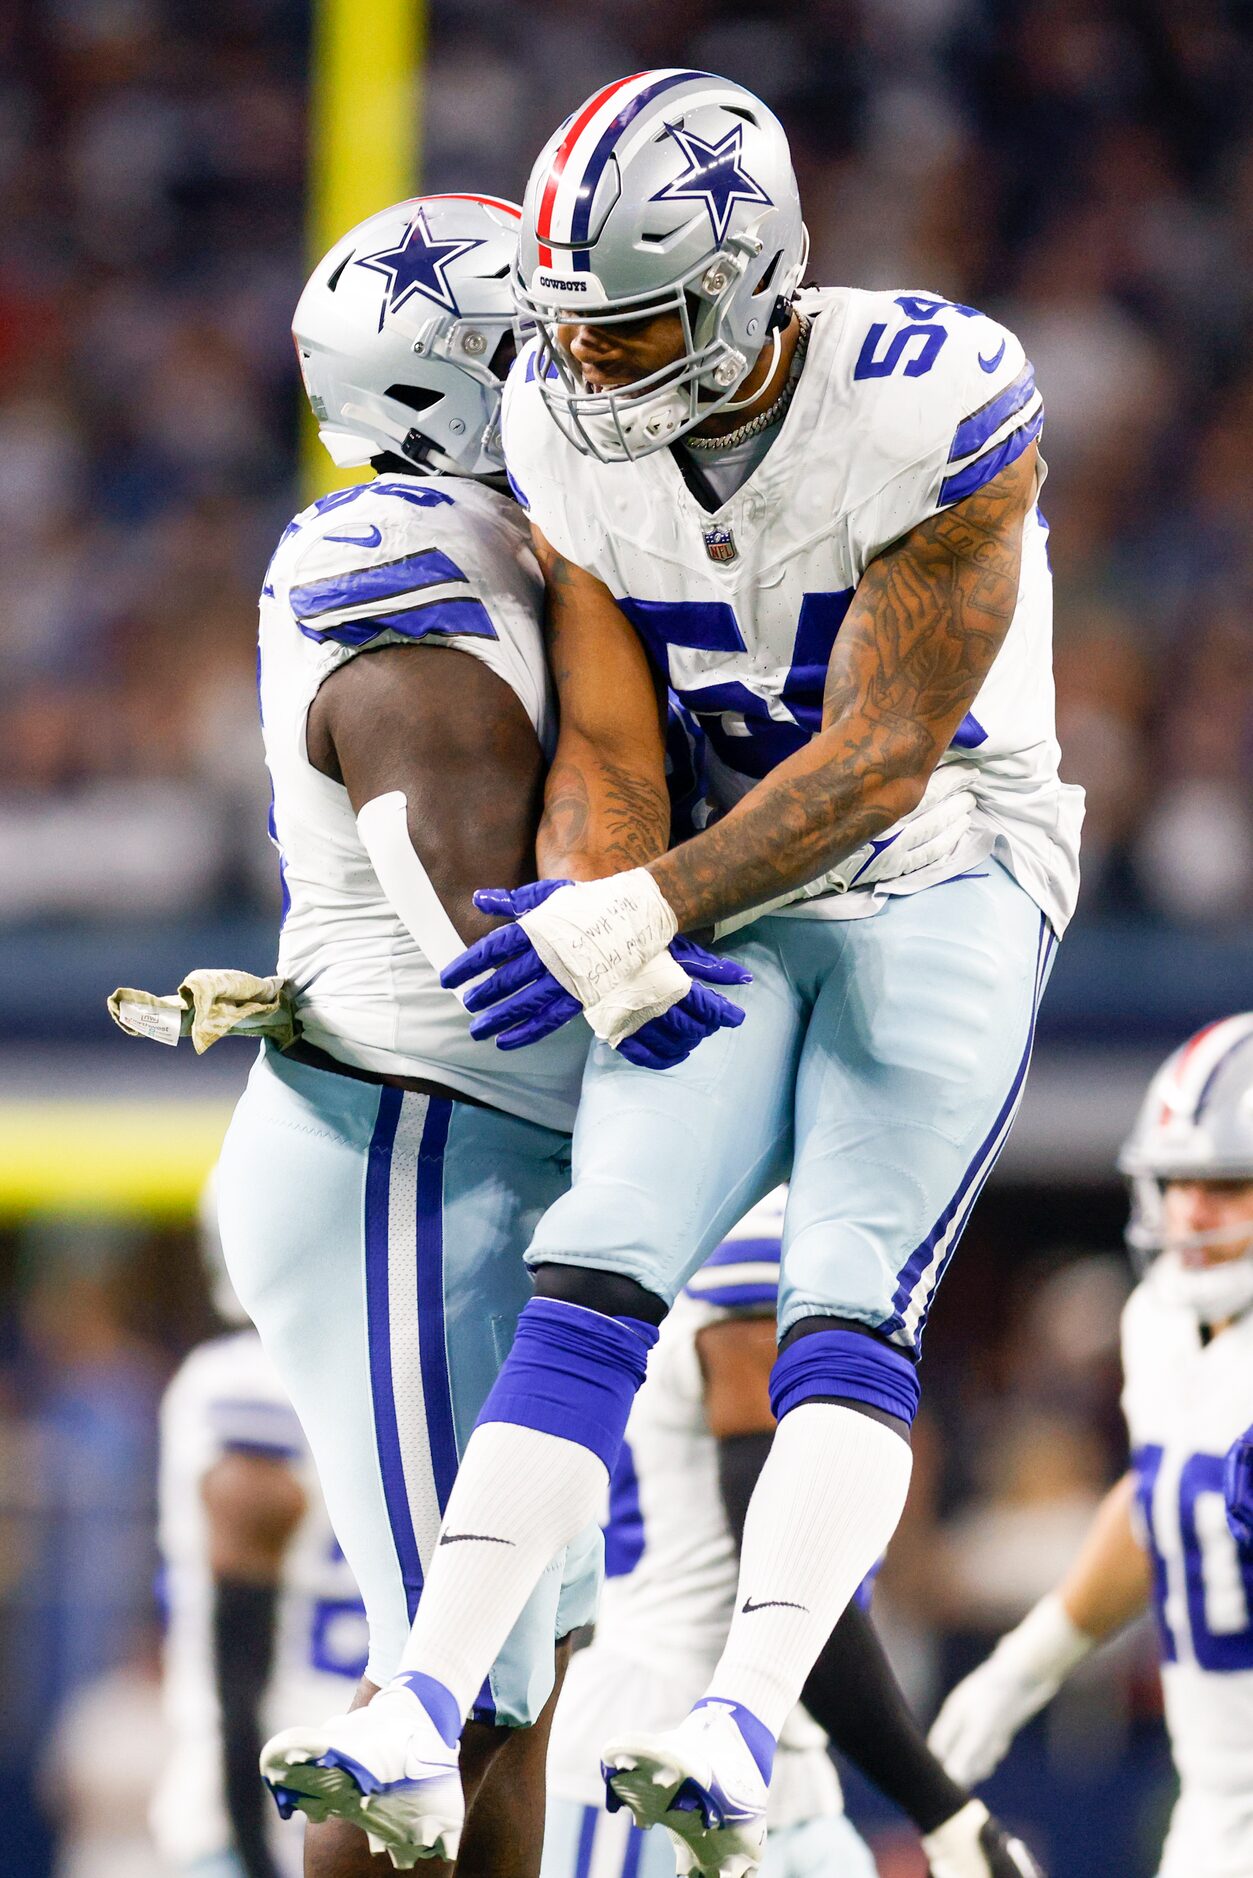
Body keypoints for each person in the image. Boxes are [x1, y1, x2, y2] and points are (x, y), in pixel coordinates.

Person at [279, 72, 1081, 1877]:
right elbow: (619, 734)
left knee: (842, 1292)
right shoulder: (569, 425)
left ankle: (745, 1717)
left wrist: (647, 905)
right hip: (723, 885)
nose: (592, 374)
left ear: (750, 279)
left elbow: (883, 755)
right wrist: (595, 895)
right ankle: (418, 1688)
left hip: (945, 860)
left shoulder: (936, 400)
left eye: (634, 325)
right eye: (569, 335)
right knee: (597, 1253)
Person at [219, 190, 744, 1876]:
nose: (600, 366)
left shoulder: (519, 544)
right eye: (560, 338)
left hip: (488, 1156)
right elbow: (443, 850)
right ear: (475, 378)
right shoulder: (398, 559)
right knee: (441, 1713)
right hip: (409, 1141)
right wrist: (631, 968)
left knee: (517, 1672)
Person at [541, 1192, 1044, 1878]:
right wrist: (944, 1812)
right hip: (656, 1764)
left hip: (782, 1762)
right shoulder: (765, 1222)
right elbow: (784, 1568)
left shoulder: (790, 1217)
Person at [928, 1014, 1253, 1878]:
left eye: (1225, 1184)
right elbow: (1158, 1497)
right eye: (1176, 1182)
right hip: (1212, 1808)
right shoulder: (1161, 1324)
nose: (1191, 1211)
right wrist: (1028, 1666)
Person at [151, 1177, 369, 1878]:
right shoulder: (372, 1381)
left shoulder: (244, 1379)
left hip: (279, 1801)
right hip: (306, 1799)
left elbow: (237, 1640)